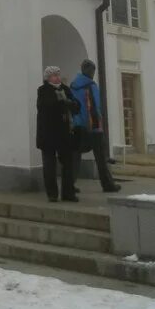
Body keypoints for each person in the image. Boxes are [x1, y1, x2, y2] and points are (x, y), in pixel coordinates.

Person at [70, 59, 121, 194]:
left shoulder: (73, 86)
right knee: (101, 158)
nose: (93, 73)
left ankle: (69, 184)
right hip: (93, 127)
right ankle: (108, 184)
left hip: (78, 126)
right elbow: (95, 106)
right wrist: (98, 123)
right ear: (88, 70)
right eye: (92, 70)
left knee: (75, 157)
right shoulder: (91, 86)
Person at [36, 66, 80, 203]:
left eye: (57, 75)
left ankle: (68, 192)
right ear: (47, 78)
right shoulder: (43, 90)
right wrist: (62, 102)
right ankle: (52, 194)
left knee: (68, 164)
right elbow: (45, 106)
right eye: (53, 75)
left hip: (64, 133)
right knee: (49, 165)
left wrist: (71, 103)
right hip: (48, 133)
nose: (56, 77)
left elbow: (76, 106)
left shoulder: (65, 89)